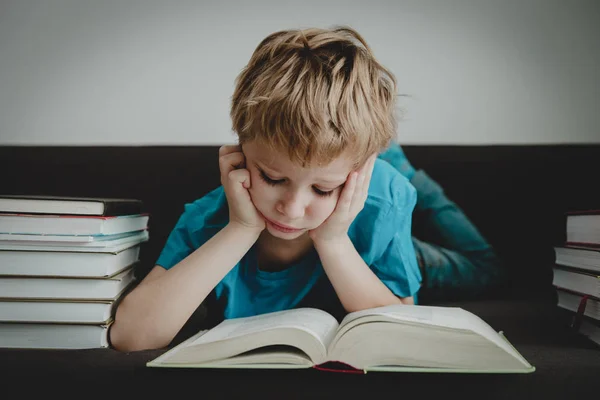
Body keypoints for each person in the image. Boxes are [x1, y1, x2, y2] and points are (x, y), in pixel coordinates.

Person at [109, 26, 503, 352]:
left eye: (323, 188)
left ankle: (388, 156)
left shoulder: (385, 199)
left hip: (367, 235)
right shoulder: (207, 218)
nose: (292, 209)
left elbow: (398, 321)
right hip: (346, 209)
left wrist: (332, 240)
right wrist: (241, 229)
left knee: (486, 269)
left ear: (353, 177)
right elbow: (130, 336)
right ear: (240, 155)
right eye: (273, 178)